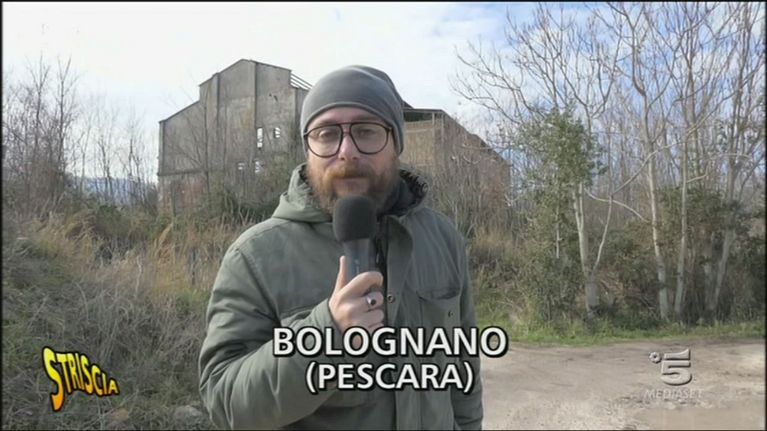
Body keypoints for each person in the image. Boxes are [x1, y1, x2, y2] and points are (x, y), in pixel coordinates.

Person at [198, 65, 483, 430]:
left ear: (395, 143)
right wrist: (325, 335)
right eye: (327, 134)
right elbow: (225, 402)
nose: (347, 151)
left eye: (366, 131)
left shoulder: (442, 239)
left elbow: (462, 371)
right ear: (308, 149)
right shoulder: (255, 257)